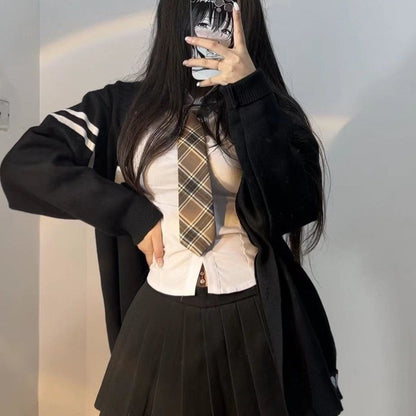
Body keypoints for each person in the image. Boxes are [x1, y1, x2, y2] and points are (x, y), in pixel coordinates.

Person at [0, 0, 344, 415]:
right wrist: (130, 213)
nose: (212, 28)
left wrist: (250, 92)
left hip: (257, 312)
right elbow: (25, 165)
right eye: (202, 11)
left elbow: (295, 206)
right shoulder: (121, 107)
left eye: (225, 13)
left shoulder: (269, 108)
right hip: (161, 311)